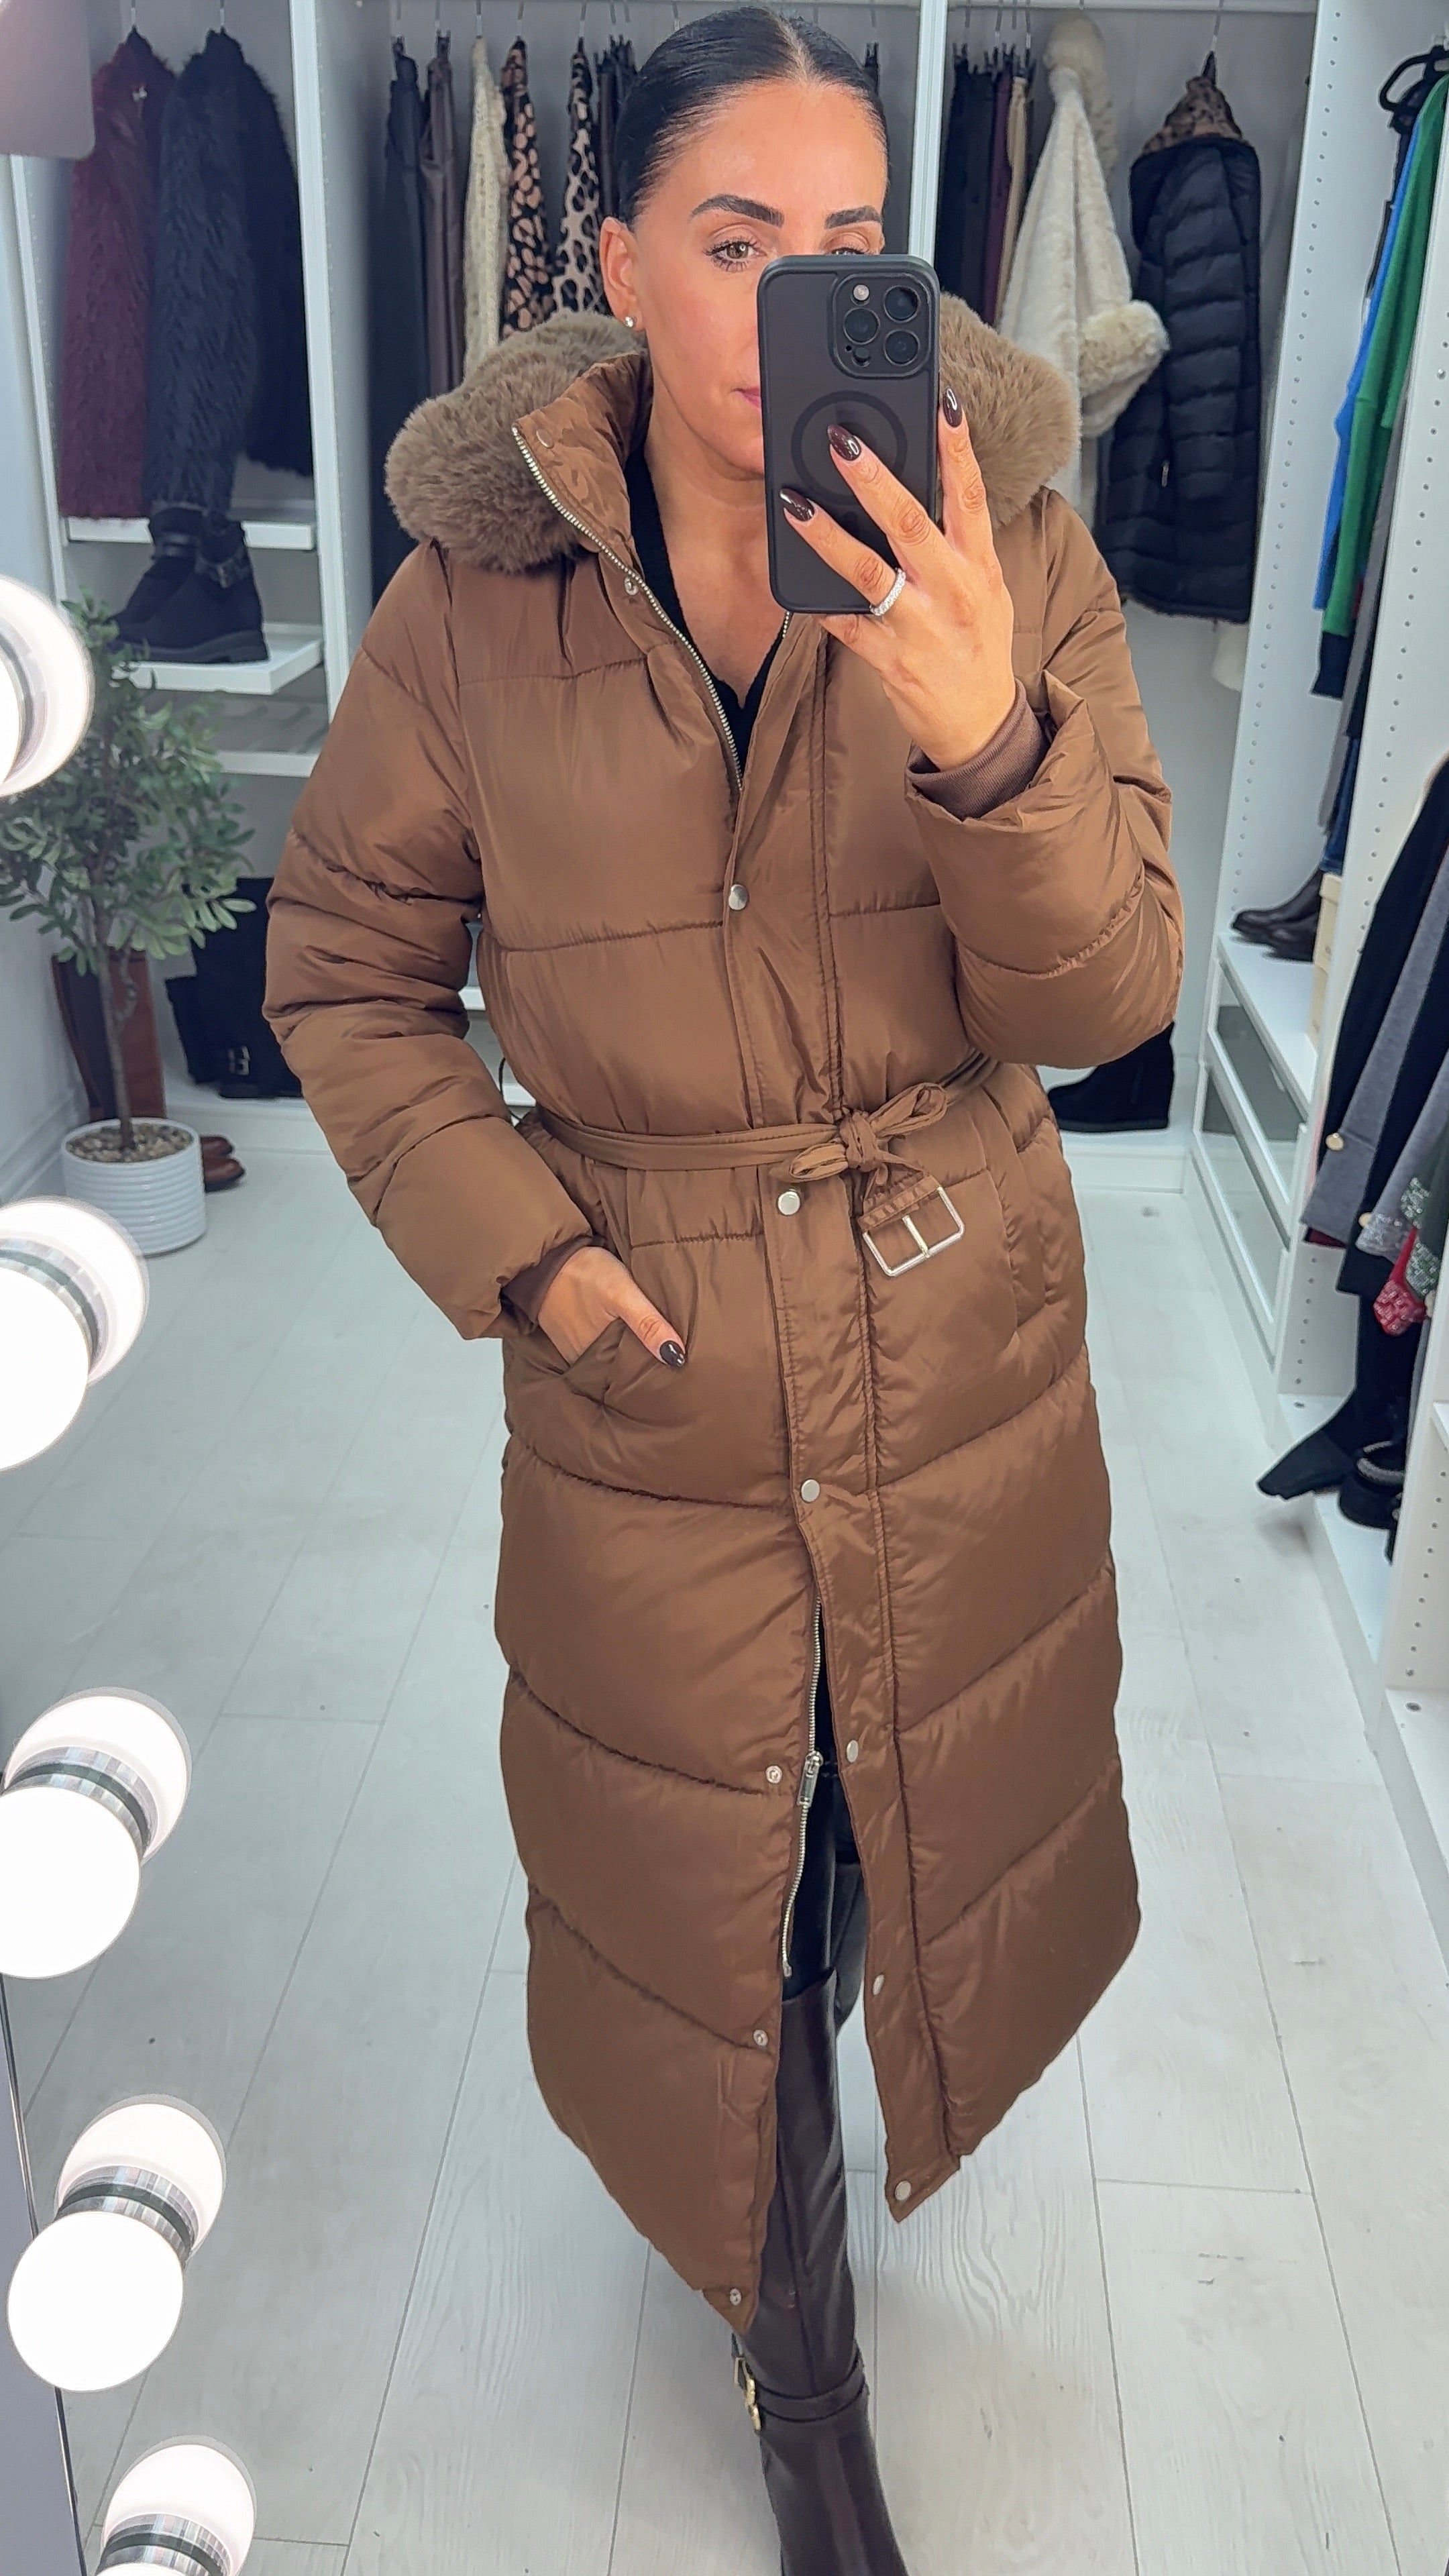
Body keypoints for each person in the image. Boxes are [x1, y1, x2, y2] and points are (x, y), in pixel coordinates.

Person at [262, 12, 1182, 2567]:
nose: (800, 297)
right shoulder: (477, 603)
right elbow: (343, 971)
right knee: (724, 1884)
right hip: (651, 1359)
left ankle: (835, 2176)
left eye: (851, 242)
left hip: (951, 1326)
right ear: (620, 256)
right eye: (738, 239)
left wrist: (987, 739)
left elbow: (1112, 998)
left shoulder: (1017, 548)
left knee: (898, 1811)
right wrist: (529, 1261)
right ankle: (802, 2374)